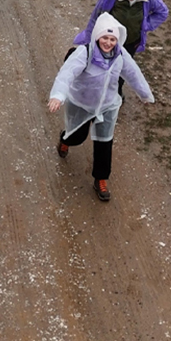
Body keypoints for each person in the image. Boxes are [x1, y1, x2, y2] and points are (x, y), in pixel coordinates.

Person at [48, 14, 154, 201]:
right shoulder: (85, 53)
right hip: (82, 103)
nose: (108, 42)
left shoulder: (121, 55)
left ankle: (101, 178)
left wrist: (145, 94)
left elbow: (133, 73)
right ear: (97, 36)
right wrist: (58, 96)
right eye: (105, 37)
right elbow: (66, 74)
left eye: (113, 39)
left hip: (107, 105)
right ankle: (65, 140)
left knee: (105, 142)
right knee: (77, 136)